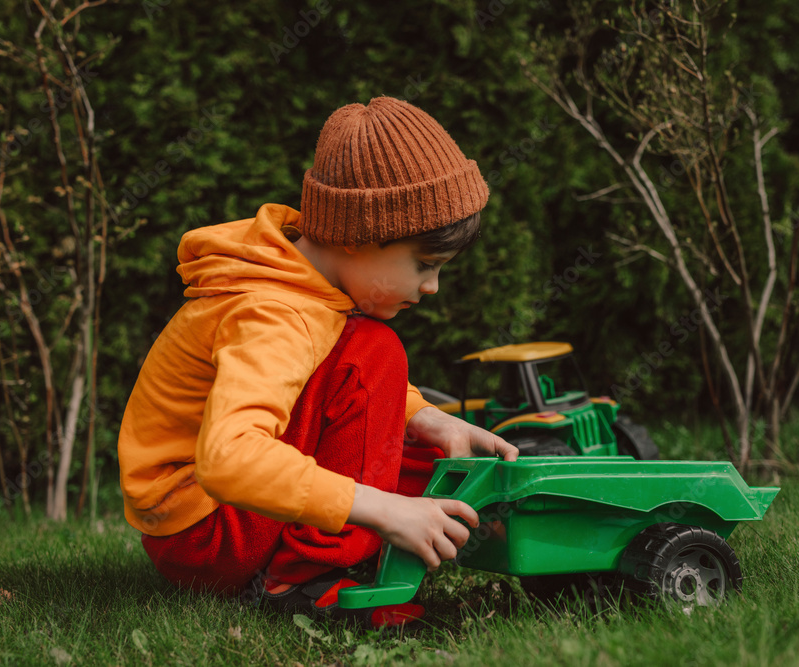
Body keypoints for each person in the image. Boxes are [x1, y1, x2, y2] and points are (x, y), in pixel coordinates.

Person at [117, 96, 518, 629]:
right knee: (375, 351)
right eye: (424, 264)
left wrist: (426, 418)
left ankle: (481, 521)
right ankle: (311, 579)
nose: (431, 286)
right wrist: (384, 509)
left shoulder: (301, 287)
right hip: (205, 530)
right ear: (359, 237)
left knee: (422, 455)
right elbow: (229, 458)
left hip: (215, 522)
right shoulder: (275, 313)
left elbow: (327, 385)